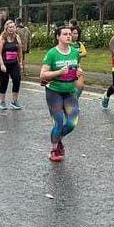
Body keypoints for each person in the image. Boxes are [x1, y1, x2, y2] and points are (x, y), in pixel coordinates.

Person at [40, 25, 84, 162]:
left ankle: (58, 139)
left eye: (70, 34)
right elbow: (42, 74)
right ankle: (54, 149)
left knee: (72, 123)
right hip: (54, 92)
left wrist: (79, 74)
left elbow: (77, 68)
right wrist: (59, 72)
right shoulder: (52, 53)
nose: (68, 36)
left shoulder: (75, 52)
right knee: (58, 123)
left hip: (70, 92)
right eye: (65, 34)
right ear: (58, 37)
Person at [0, 20, 23, 110]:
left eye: (13, 27)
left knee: (17, 79)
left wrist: (21, 62)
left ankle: (15, 101)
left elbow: (19, 51)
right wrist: (2, 64)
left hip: (14, 63)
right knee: (4, 81)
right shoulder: (2, 38)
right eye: (10, 27)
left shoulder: (17, 37)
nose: (12, 29)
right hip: (3, 63)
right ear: (6, 28)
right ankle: (2, 102)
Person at [70, 25, 87, 98]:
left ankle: (74, 100)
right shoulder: (67, 43)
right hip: (67, 66)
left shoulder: (79, 44)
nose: (76, 35)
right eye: (74, 33)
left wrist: (77, 54)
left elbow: (85, 53)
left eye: (77, 33)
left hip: (77, 65)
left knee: (80, 86)